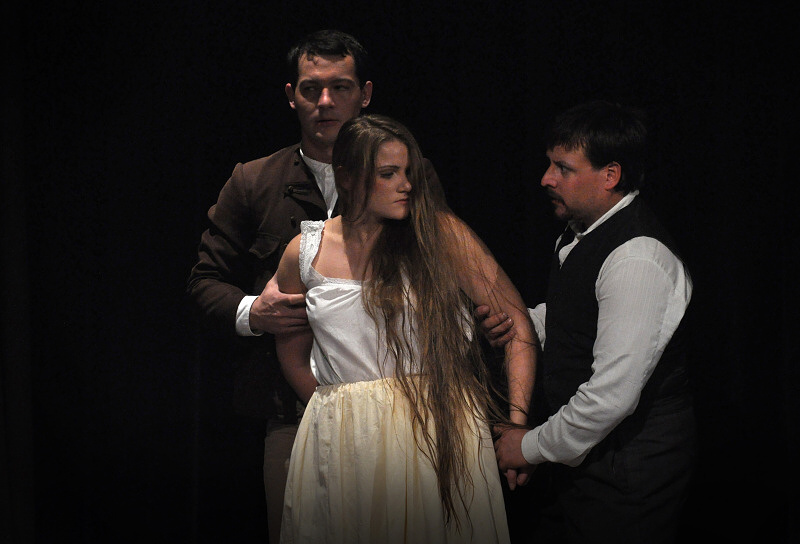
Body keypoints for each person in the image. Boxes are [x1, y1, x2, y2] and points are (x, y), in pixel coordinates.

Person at [186, 30, 443, 544]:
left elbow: (444, 267)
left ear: (365, 94)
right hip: (292, 411)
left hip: (395, 412)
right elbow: (204, 281)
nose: (325, 101)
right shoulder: (254, 180)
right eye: (310, 89)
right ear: (291, 95)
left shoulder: (408, 176)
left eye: (340, 87)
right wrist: (253, 312)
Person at [272, 114, 537, 543]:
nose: (407, 185)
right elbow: (292, 354)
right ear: (347, 176)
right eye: (388, 173)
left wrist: (516, 424)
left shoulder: (440, 236)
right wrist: (340, 410)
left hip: (437, 427)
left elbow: (518, 326)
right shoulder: (305, 251)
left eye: (408, 172)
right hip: (344, 441)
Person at [488, 100, 696, 543]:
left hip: (626, 471)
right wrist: (517, 325)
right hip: (584, 461)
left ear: (610, 175)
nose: (546, 179)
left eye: (563, 168)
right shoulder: (582, 232)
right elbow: (576, 317)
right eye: (549, 164)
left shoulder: (637, 258)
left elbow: (610, 398)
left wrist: (528, 446)